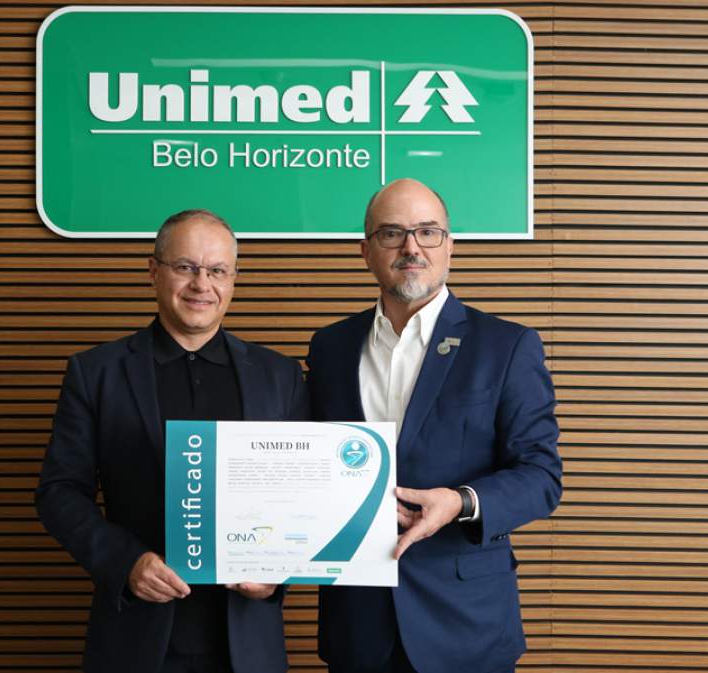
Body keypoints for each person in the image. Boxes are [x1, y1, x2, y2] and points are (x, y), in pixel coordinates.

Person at [36, 209, 308, 673]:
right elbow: (59, 492)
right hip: (135, 637)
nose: (202, 284)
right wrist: (126, 562)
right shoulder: (96, 373)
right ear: (153, 271)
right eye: (186, 267)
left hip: (248, 644)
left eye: (217, 270)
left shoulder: (280, 375)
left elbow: (304, 495)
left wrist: (277, 575)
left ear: (233, 279)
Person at [306, 179, 562, 673]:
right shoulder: (330, 347)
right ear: (365, 251)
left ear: (450, 246)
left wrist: (461, 502)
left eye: (427, 232)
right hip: (358, 625)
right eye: (392, 233)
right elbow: (308, 463)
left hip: (466, 625)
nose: (411, 247)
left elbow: (541, 476)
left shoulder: (507, 346)